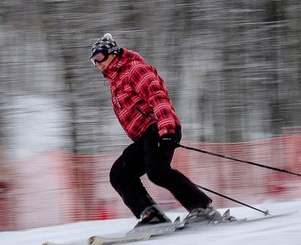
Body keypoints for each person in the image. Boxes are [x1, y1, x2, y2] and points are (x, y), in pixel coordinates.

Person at [89, 33, 220, 229]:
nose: (97, 63)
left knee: (157, 171)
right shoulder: (116, 81)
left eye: (99, 57)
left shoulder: (134, 70)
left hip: (159, 127)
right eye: (93, 60)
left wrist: (166, 129)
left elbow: (157, 95)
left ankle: (202, 209)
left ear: (113, 53)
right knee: (119, 173)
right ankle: (150, 214)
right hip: (144, 137)